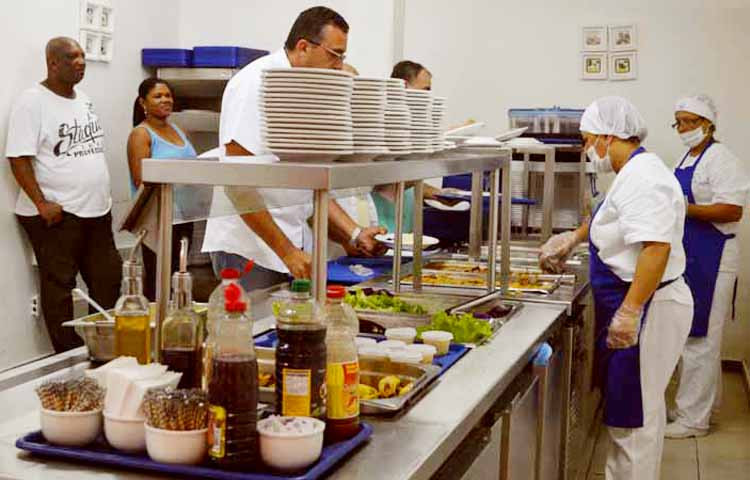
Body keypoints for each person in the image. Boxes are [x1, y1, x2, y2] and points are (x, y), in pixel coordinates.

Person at [539, 97, 693, 480]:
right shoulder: (633, 171)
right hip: (640, 303)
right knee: (636, 411)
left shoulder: (644, 177)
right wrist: (572, 239)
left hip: (649, 307)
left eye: (588, 140)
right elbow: (611, 217)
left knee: (633, 420)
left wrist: (630, 312)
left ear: (609, 136)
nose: (587, 150)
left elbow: (656, 247)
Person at [201, 6, 386, 292]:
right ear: (303, 47)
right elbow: (238, 183)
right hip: (252, 250)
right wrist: (286, 250)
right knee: (249, 331)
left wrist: (354, 234)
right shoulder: (255, 84)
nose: (338, 66)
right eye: (335, 55)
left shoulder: (305, 89)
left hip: (289, 245)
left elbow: (306, 186)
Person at [5, 37, 122, 353]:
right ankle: (67, 359)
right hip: (57, 215)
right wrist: (42, 203)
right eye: (72, 57)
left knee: (109, 280)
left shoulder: (83, 98)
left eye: (83, 56)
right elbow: (18, 157)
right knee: (60, 289)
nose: (81, 62)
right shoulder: (32, 101)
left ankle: (104, 352)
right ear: (53, 63)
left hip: (96, 211)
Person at [666, 95, 749, 438]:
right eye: (679, 122)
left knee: (701, 338)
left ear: (708, 124)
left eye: (689, 121)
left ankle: (693, 420)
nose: (683, 128)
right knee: (694, 333)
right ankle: (703, 406)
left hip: (714, 256)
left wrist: (686, 209)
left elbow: (732, 210)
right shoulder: (688, 156)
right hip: (693, 254)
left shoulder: (721, 159)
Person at [126, 77, 197, 300]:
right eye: (158, 96)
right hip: (159, 219)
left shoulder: (178, 130)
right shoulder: (141, 134)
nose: (165, 100)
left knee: (180, 278)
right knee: (160, 282)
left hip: (184, 217)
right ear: (143, 103)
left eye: (168, 95)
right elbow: (141, 181)